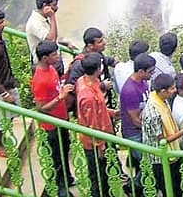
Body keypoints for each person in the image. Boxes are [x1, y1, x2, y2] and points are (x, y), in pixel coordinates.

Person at [31, 40, 75, 196]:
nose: (57, 56)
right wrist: (60, 97)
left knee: (64, 151)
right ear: (44, 58)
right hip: (51, 126)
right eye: (54, 54)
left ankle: (66, 180)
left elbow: (56, 88)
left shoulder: (51, 69)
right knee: (57, 158)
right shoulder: (40, 79)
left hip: (61, 119)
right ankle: (58, 190)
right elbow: (41, 107)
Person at [75, 52, 119, 197]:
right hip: (94, 142)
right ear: (98, 69)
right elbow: (93, 124)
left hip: (99, 136)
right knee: (98, 177)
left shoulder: (85, 81)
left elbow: (97, 110)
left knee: (102, 174)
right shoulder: (88, 96)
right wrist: (100, 146)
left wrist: (111, 112)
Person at [142, 73, 183, 191]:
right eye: (172, 89)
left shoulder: (162, 100)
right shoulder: (153, 112)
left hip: (172, 153)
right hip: (160, 159)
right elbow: (162, 141)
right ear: (163, 91)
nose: (174, 90)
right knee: (169, 189)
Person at [119, 52, 155, 182]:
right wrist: (153, 129)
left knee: (145, 165)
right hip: (134, 133)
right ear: (141, 71)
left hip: (142, 130)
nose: (152, 74)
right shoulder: (130, 90)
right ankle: (133, 187)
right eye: (150, 72)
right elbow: (135, 119)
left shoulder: (143, 82)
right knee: (147, 164)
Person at [25, 0, 75, 71]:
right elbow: (50, 40)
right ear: (45, 5)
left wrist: (63, 43)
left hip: (52, 61)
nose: (56, 8)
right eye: (54, 5)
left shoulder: (43, 19)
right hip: (44, 66)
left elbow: (52, 37)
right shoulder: (34, 22)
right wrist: (52, 17)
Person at [0, 9, 19, 158]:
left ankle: (3, 141)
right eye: (0, 23)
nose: (3, 25)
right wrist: (3, 92)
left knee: (11, 114)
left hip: (8, 81)